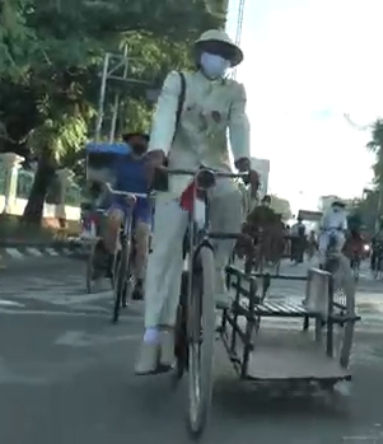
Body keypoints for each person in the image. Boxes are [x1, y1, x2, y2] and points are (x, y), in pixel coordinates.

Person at [135, 29, 258, 375]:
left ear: (229, 61)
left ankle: (215, 271)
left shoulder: (235, 91)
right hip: (178, 167)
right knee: (166, 252)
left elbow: (239, 125)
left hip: (217, 169)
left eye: (224, 53)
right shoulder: (179, 80)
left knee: (232, 201)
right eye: (213, 50)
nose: (217, 57)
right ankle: (151, 337)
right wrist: (157, 151)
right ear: (201, 53)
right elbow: (164, 114)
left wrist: (245, 162)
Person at [94, 132, 153, 300]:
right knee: (113, 219)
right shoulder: (120, 162)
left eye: (142, 140)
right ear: (129, 143)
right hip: (121, 201)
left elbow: (157, 186)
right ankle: (117, 253)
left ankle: (139, 280)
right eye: (135, 140)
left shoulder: (150, 164)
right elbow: (111, 181)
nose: (139, 142)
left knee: (143, 234)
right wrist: (108, 190)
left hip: (142, 205)